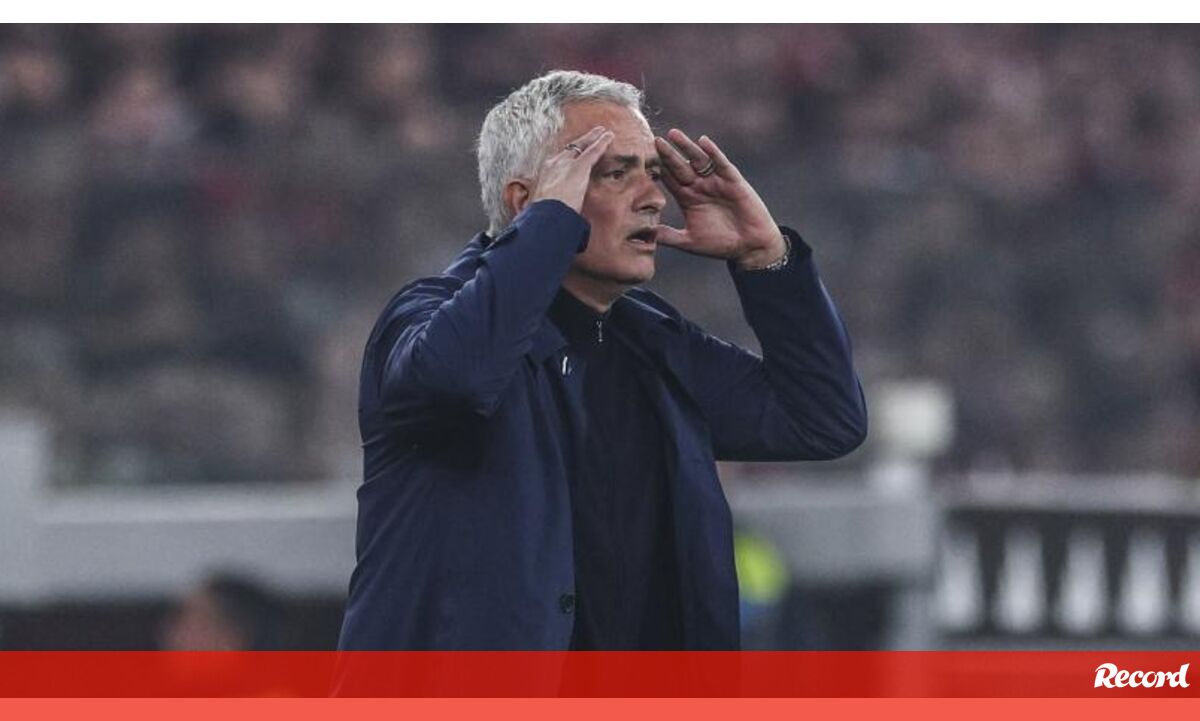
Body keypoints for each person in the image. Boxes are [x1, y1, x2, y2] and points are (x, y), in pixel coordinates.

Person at [336, 70, 867, 651]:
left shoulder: (650, 342)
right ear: (527, 203)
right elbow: (458, 381)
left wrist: (769, 260)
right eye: (615, 173)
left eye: (654, 173)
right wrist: (546, 228)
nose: (655, 198)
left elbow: (822, 419)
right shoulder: (423, 318)